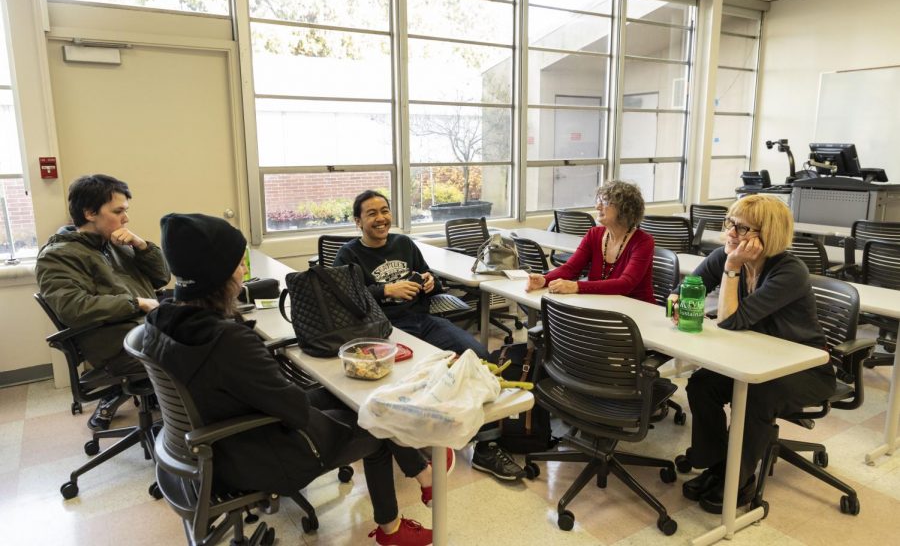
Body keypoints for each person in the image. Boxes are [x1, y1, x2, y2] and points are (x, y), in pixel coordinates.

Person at [141, 213, 436, 546]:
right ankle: (397, 521)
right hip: (251, 452)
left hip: (207, 444)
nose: (243, 272)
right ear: (219, 275)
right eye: (239, 265)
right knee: (377, 423)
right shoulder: (227, 341)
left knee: (351, 399)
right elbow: (294, 410)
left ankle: (420, 475)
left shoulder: (159, 321)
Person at [334, 190, 526, 481]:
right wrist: (386, 290)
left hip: (423, 320)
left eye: (384, 211)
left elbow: (433, 282)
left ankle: (487, 445)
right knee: (420, 378)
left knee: (479, 358)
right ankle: (419, 437)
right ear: (358, 221)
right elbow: (345, 299)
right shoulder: (348, 254)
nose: (381, 218)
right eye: (371, 213)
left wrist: (429, 282)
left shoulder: (404, 243)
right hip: (385, 329)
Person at [672, 194, 835, 514]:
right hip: (752, 359)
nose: (731, 233)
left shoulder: (789, 271)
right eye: (730, 223)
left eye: (743, 228)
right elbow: (685, 289)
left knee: (758, 394)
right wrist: (678, 303)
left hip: (805, 368)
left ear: (768, 233)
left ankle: (739, 478)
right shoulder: (724, 254)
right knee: (702, 384)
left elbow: (732, 321)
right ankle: (718, 465)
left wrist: (732, 267)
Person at [35, 174, 169, 431]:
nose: (125, 219)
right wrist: (137, 303)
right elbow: (75, 308)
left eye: (125, 211)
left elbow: (161, 277)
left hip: (145, 330)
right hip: (118, 345)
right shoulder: (57, 258)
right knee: (206, 351)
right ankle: (195, 431)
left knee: (214, 333)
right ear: (89, 213)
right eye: (118, 211)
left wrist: (142, 247)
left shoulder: (114, 244)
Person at [526, 179, 655, 303]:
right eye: (599, 201)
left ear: (624, 209)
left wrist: (576, 286)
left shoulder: (643, 242)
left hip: (637, 310)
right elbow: (571, 268)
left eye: (604, 202)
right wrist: (544, 280)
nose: (597, 206)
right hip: (600, 305)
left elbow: (625, 284)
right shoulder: (594, 234)